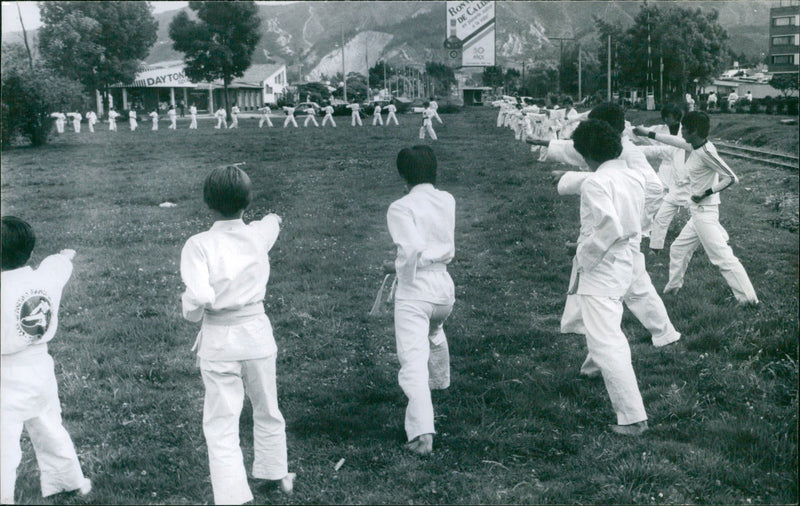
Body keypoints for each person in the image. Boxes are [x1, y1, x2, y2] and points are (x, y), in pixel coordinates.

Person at [180, 166, 295, 504]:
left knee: (221, 420)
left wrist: (191, 309)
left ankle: (233, 494)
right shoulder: (257, 236)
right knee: (267, 406)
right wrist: (274, 217)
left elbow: (199, 296)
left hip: (219, 338)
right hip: (257, 334)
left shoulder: (198, 244)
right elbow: (269, 225)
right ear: (247, 201)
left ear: (207, 203)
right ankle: (274, 471)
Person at [533, 103, 680, 349]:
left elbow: (653, 187)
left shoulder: (629, 152)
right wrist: (549, 146)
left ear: (607, 129)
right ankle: (661, 335)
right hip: (616, 231)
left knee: (619, 291)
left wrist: (637, 223)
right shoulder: (615, 148)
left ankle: (612, 345)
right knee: (634, 288)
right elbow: (579, 152)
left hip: (621, 232)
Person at [1, 216, 93, 504]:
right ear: (30, 253)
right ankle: (67, 481)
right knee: (50, 427)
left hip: (5, 374)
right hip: (39, 368)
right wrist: (66, 255)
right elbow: (58, 263)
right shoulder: (43, 277)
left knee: (3, 443)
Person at [566, 120, 649, 436]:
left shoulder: (595, 182)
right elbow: (630, 221)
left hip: (602, 264)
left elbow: (609, 227)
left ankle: (633, 418)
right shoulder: (634, 176)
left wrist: (583, 254)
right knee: (606, 323)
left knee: (606, 340)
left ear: (587, 155)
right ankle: (590, 368)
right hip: (626, 259)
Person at [633, 112, 758, 306]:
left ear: (695, 131)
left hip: (705, 213)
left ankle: (749, 300)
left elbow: (731, 177)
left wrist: (707, 192)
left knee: (722, 258)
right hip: (697, 213)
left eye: (684, 129)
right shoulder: (693, 145)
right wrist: (647, 134)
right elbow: (672, 140)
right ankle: (672, 291)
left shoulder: (707, 152)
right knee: (677, 249)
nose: (681, 131)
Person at [384, 145, 455, 455]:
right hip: (444, 290)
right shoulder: (447, 199)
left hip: (417, 290)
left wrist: (393, 266)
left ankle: (422, 433)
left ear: (402, 174)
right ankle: (440, 381)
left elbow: (412, 250)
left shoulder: (400, 207)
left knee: (412, 362)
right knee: (434, 329)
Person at [637, 105, 690, 252]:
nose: (666, 120)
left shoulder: (685, 130)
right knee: (653, 195)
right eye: (665, 117)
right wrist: (633, 131)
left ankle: (701, 232)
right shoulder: (660, 129)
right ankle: (644, 229)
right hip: (666, 167)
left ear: (677, 117)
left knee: (690, 203)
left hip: (682, 168)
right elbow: (644, 133)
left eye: (669, 117)